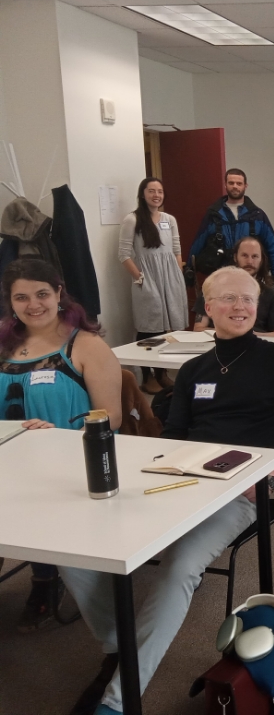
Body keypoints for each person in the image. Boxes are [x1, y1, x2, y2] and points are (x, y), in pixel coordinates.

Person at [62, 266, 274, 715]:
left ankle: (117, 700)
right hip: (184, 480)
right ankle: (120, 644)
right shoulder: (194, 370)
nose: (240, 306)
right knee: (74, 544)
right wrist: (158, 469)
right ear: (208, 308)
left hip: (243, 489)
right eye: (229, 299)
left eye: (248, 299)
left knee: (180, 566)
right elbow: (177, 432)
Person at [0, 259, 121, 633]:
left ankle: (45, 578)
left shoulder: (86, 345)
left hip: (72, 461)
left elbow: (111, 417)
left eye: (41, 294)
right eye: (21, 297)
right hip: (10, 456)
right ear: (11, 301)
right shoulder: (3, 343)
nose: (32, 304)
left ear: (58, 293)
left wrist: (54, 434)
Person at [118, 177, 188, 394]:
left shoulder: (169, 219)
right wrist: (140, 279)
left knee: (170, 326)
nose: (156, 195)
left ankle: (162, 374)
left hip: (171, 277)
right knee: (150, 326)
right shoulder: (132, 219)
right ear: (143, 193)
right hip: (147, 278)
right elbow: (123, 254)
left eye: (160, 191)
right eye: (151, 191)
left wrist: (177, 274)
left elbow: (176, 248)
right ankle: (147, 376)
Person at [189, 168, 274, 275]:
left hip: (251, 275)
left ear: (245, 186)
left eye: (239, 183)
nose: (235, 186)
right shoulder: (213, 215)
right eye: (231, 183)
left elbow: (272, 247)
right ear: (225, 185)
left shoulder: (257, 215)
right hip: (221, 275)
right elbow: (198, 244)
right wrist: (189, 270)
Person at [193, 237, 274, 337]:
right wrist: (230, 333)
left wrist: (249, 335)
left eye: (255, 256)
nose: (249, 261)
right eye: (244, 255)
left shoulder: (271, 295)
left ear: (261, 260)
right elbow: (198, 328)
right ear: (235, 257)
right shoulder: (213, 290)